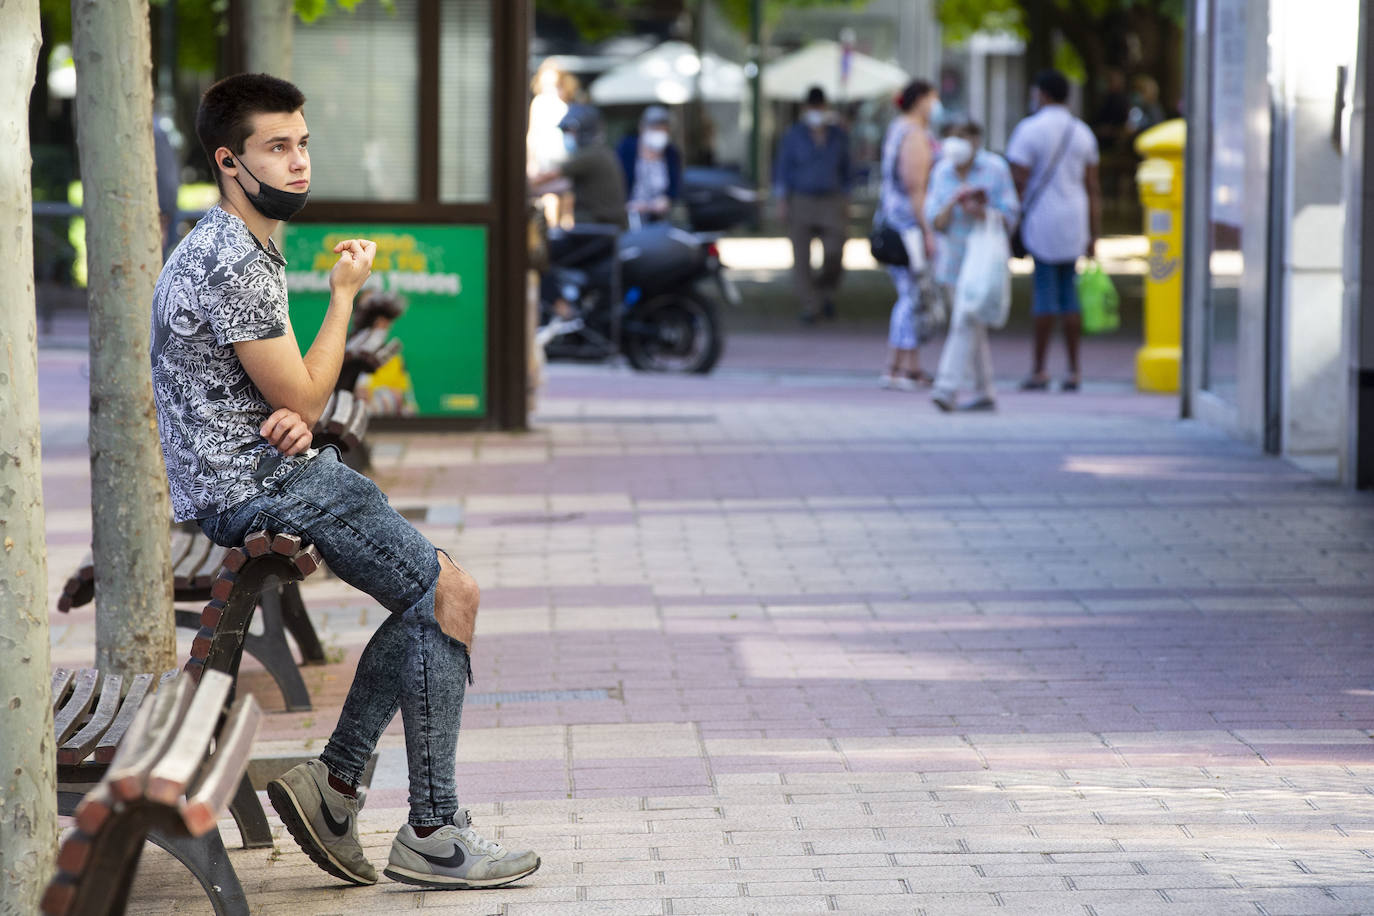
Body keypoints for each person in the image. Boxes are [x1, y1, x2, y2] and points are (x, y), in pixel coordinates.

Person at [150, 73, 541, 891]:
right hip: (262, 485)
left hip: (260, 471)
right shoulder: (232, 255)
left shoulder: (234, 242)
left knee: (443, 595)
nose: (299, 163)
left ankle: (338, 788)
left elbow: (275, 393)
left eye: (302, 144)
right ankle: (427, 829)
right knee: (448, 595)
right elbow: (300, 392)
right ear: (230, 161)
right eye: (277, 147)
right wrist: (341, 299)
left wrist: (293, 405)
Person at [1006, 69, 1101, 392]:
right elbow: (1093, 186)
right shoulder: (1083, 133)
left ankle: (1040, 369)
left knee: (1045, 292)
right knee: (1069, 293)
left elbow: (1017, 180)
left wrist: (1010, 221)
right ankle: (1074, 370)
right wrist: (1095, 233)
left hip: (1042, 219)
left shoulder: (1029, 130)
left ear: (1042, 94)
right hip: (1075, 219)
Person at [926, 122, 1019, 412]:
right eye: (951, 137)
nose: (956, 143)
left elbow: (1011, 214)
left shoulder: (995, 168)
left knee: (964, 320)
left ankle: (946, 387)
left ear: (977, 140)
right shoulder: (941, 172)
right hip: (953, 261)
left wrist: (984, 211)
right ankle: (985, 390)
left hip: (984, 260)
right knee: (971, 324)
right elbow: (934, 221)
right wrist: (954, 204)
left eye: (963, 137)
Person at [529, 104, 627, 317]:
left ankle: (561, 308)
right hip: (603, 231)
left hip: (598, 232)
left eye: (569, 132)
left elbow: (550, 177)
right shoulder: (600, 154)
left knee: (539, 255)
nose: (568, 137)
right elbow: (560, 187)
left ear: (583, 130)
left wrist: (521, 185)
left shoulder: (590, 156)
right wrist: (535, 192)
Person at [877, 79, 941, 389]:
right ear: (920, 101)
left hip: (896, 223)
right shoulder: (913, 135)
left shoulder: (899, 129)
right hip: (908, 228)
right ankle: (895, 367)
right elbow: (916, 188)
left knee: (912, 294)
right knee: (910, 294)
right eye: (933, 98)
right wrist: (928, 231)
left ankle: (911, 366)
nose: (936, 105)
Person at [773, 85, 852, 323]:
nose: (816, 111)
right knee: (801, 258)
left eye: (820, 107)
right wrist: (782, 200)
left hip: (831, 200)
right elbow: (782, 168)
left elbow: (848, 168)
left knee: (835, 251)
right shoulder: (793, 135)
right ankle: (811, 306)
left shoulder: (838, 135)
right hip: (801, 199)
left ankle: (825, 293)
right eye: (813, 107)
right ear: (806, 108)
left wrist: (847, 198)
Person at [616, 104, 683, 225]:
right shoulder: (626, 148)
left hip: (661, 219)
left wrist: (667, 200)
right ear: (642, 128)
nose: (659, 133)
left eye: (664, 129)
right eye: (655, 128)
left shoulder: (671, 153)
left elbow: (675, 187)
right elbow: (616, 181)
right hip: (630, 217)